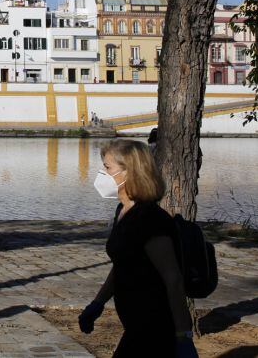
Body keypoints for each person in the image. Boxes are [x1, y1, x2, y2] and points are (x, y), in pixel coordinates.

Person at [78, 140, 198, 357]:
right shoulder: (122, 211)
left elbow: (173, 279)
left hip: (154, 325)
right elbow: (123, 264)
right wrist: (98, 302)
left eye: (107, 168)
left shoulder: (150, 220)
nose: (101, 174)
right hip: (134, 323)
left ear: (129, 172)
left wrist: (183, 335)